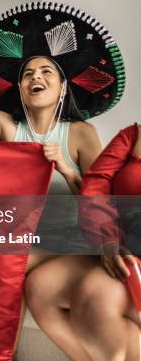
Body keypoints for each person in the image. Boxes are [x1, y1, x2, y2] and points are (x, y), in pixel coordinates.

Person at [0, 2, 134, 358]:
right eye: (28, 74)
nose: (36, 77)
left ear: (61, 86)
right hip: (25, 236)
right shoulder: (7, 127)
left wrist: (66, 167)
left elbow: (100, 199)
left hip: (74, 239)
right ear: (21, 87)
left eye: (46, 71)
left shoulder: (79, 133)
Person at [73, 124, 141, 360]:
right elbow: (95, 185)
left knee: (95, 294)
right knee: (41, 288)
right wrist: (107, 238)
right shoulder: (133, 135)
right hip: (123, 245)